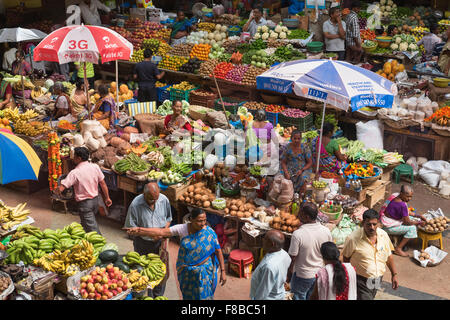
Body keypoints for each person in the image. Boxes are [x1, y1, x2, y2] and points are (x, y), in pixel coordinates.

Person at [125, 208, 227, 300]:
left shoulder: (209, 232)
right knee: (188, 297)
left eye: (204, 220)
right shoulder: (182, 229)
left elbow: (218, 251)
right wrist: (139, 230)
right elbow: (161, 232)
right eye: (199, 221)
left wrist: (223, 271)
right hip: (187, 273)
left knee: (205, 297)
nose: (203, 223)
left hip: (204, 272)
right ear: (191, 219)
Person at [123, 182, 172, 298]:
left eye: (156, 198)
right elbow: (130, 229)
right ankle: (148, 296)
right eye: (151, 199)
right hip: (143, 244)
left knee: (161, 272)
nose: (154, 201)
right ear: (143, 194)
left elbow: (169, 219)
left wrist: (162, 232)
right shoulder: (135, 204)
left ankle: (159, 295)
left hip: (161, 243)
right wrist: (150, 234)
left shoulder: (163, 199)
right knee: (145, 274)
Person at [342, 209, 399, 300]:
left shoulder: (383, 235)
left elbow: (388, 256)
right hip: (361, 280)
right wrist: (348, 277)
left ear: (379, 223)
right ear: (363, 223)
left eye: (374, 224)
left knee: (371, 296)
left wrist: (394, 274)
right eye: (368, 224)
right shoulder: (353, 239)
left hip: (377, 278)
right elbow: (346, 258)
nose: (372, 227)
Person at [56, 147, 112, 234]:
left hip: (85, 205)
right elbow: (103, 184)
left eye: (74, 156)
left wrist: (56, 190)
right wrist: (107, 198)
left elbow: (61, 188)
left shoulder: (75, 172)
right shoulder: (95, 167)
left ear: (79, 158)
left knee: (94, 232)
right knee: (85, 225)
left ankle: (103, 247)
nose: (73, 158)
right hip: (95, 202)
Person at [287, 202, 333, 300]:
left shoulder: (298, 234)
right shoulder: (326, 231)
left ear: (307, 217)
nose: (298, 214)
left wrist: (289, 274)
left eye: (300, 213)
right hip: (319, 274)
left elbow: (292, 257)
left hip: (302, 275)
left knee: (298, 297)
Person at [379, 185, 427, 257]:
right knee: (412, 228)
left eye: (411, 197)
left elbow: (406, 213)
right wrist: (419, 222)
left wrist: (418, 216)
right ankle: (398, 249)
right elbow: (407, 222)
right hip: (387, 227)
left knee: (411, 218)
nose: (409, 199)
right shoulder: (402, 205)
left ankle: (399, 241)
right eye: (407, 196)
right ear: (401, 193)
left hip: (384, 220)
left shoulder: (394, 195)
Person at [250, 230, 291, 300]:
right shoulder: (285, 254)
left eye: (265, 239)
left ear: (272, 244)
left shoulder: (269, 266)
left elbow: (264, 290)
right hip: (278, 292)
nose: (262, 240)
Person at [280, 130, 313, 195]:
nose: (296, 140)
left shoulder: (305, 148)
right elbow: (283, 162)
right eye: (295, 138)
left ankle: (300, 197)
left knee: (303, 178)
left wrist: (302, 170)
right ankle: (289, 196)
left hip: (303, 169)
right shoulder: (287, 147)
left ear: (301, 139)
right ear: (291, 138)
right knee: (283, 179)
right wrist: (286, 172)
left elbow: (310, 162)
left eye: (299, 138)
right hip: (289, 169)